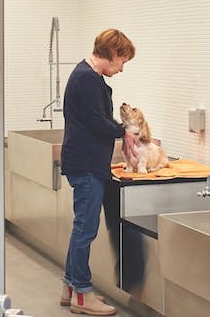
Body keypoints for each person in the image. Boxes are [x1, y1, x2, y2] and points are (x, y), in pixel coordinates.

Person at [59, 29, 140, 316]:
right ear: (112, 54)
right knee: (85, 230)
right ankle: (83, 294)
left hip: (86, 162)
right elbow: (98, 122)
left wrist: (121, 132)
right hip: (87, 164)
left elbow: (96, 119)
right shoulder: (87, 78)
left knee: (81, 228)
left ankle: (71, 287)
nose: (121, 69)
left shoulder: (87, 75)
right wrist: (125, 132)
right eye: (122, 62)